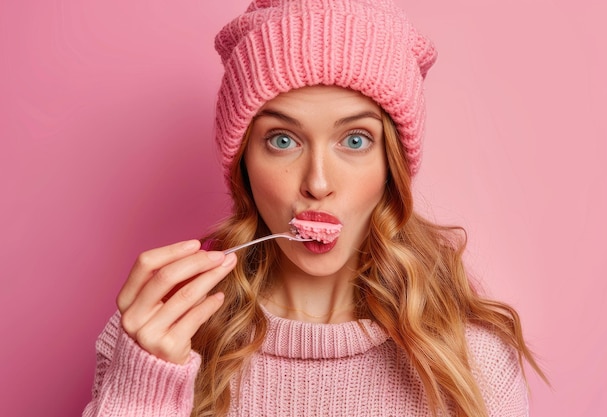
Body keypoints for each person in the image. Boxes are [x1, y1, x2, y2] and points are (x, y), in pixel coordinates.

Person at [83, 0, 546, 416]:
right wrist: (142, 391)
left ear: (393, 166)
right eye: (282, 140)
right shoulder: (160, 339)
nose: (318, 183)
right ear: (244, 159)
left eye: (355, 140)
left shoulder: (473, 361)